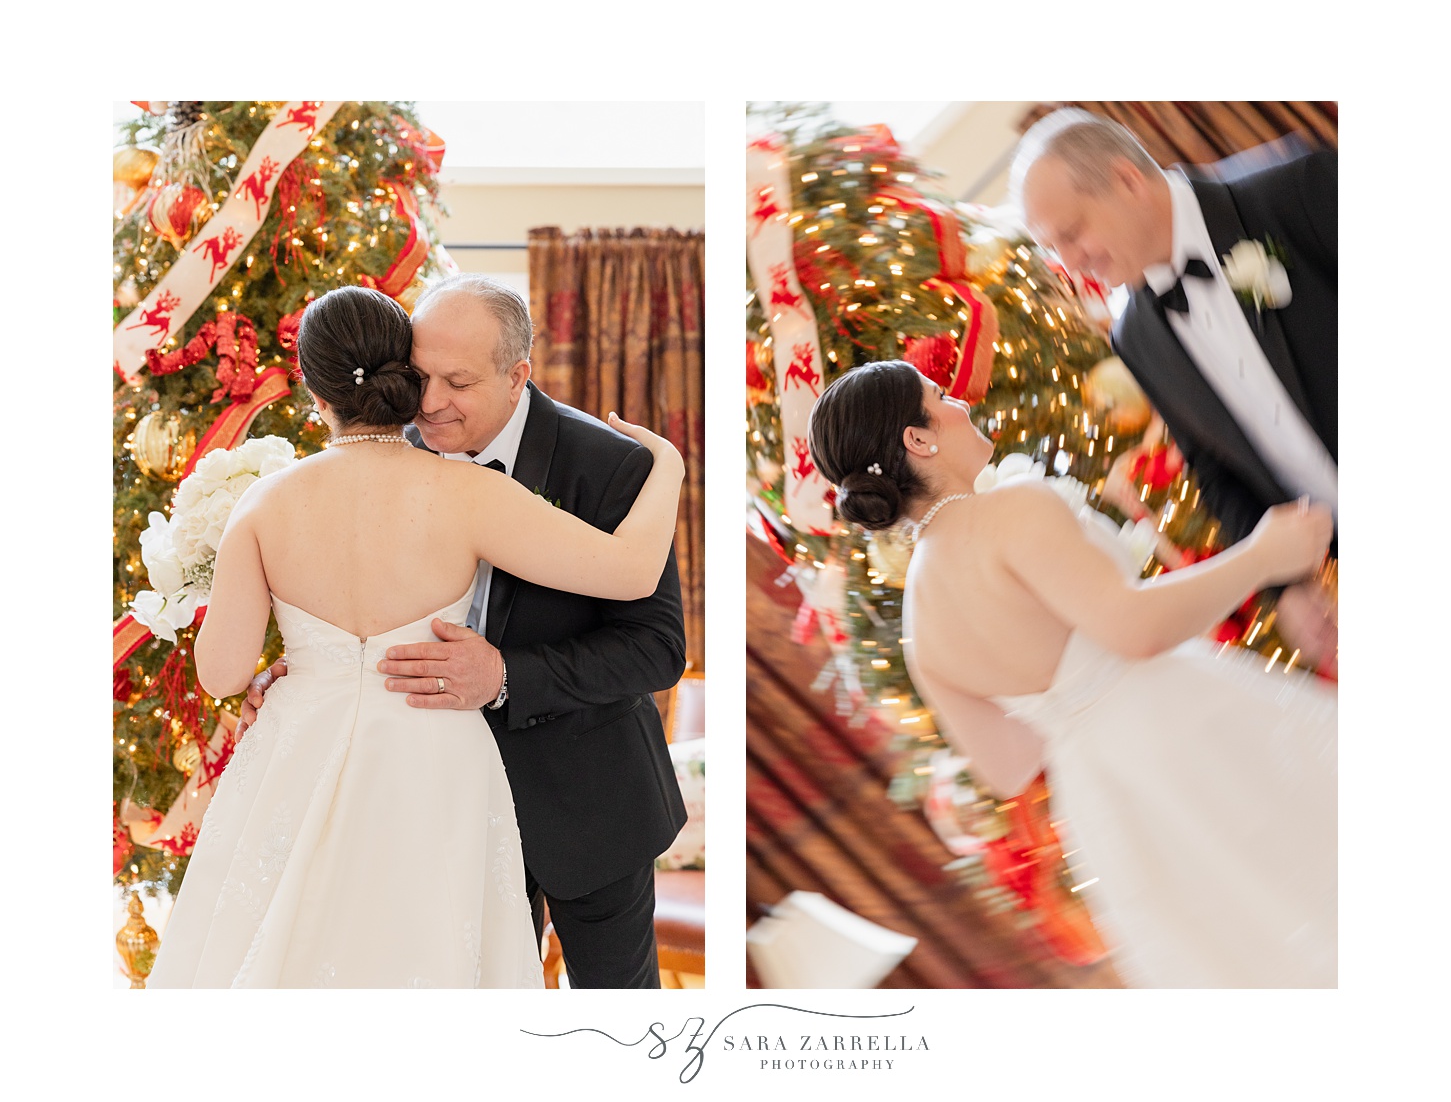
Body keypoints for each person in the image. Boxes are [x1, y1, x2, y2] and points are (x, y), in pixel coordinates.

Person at [148, 286, 684, 988]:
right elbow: (627, 568)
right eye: (421, 378)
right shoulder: (444, 481)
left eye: (457, 383)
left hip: (570, 793)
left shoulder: (266, 500)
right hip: (435, 775)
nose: (431, 404)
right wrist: (674, 466)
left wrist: (309, 663)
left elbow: (656, 639)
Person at [807, 360, 1336, 988]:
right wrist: (1262, 555)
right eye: (939, 396)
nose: (959, 403)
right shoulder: (1011, 509)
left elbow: (1006, 766)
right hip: (1186, 732)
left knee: (1248, 954)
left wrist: (1072, 705)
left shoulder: (920, 623)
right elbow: (1133, 628)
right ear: (918, 439)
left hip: (1108, 801)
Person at [1012, 109, 1337, 672]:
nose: (1070, 262)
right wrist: (1286, 587)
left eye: (1071, 233)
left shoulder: (1296, 189)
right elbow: (1213, 469)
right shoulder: (1134, 336)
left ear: (1128, 180)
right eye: (1053, 248)